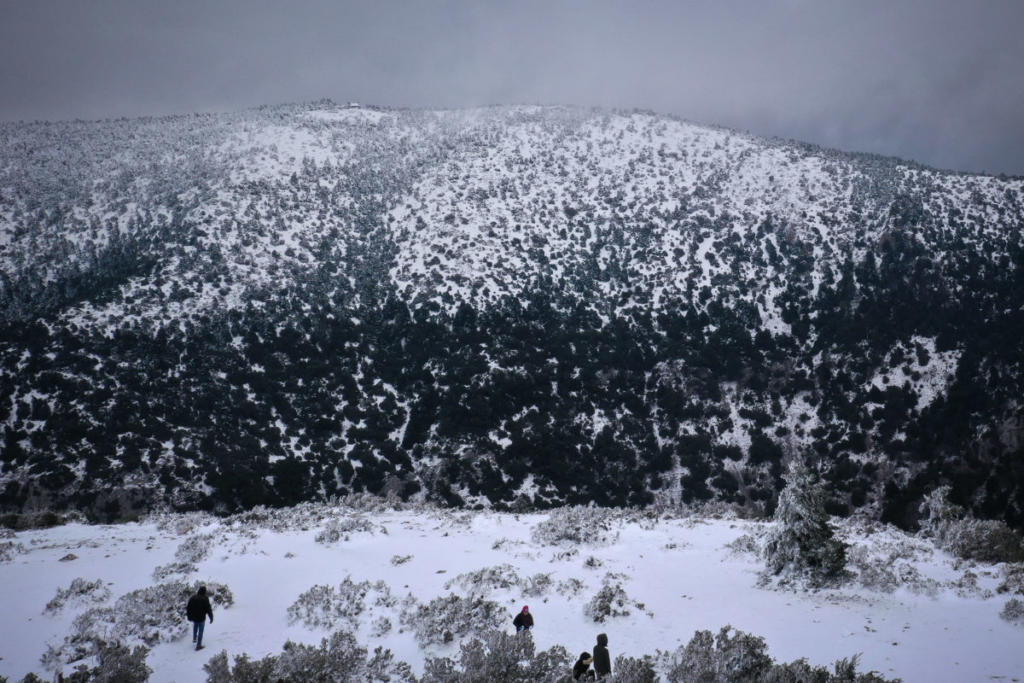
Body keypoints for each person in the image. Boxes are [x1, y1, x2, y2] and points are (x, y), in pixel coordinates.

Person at [186, 586, 214, 650]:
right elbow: (208, 609)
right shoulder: (205, 598)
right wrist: (211, 617)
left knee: (195, 626)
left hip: (194, 617)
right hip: (201, 618)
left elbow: (188, 608)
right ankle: (198, 645)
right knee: (200, 631)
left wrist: (189, 616)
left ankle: (194, 638)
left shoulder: (193, 597)